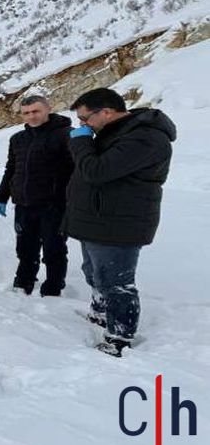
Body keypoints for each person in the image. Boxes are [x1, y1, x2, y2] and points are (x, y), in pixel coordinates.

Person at [65, 88, 176, 357]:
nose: (83, 125)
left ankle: (119, 336)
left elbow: (96, 171)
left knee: (117, 282)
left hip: (119, 223)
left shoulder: (145, 138)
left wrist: (80, 143)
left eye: (85, 118)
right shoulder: (113, 132)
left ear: (106, 111)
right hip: (97, 219)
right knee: (94, 272)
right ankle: (100, 311)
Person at [0, 95, 73, 297]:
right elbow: (12, 168)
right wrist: (2, 196)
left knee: (53, 248)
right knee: (25, 247)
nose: (31, 116)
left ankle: (53, 286)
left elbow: (76, 170)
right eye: (26, 113)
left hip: (53, 204)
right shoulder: (18, 139)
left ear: (48, 109)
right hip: (23, 203)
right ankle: (24, 281)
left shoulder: (66, 135)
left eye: (36, 111)